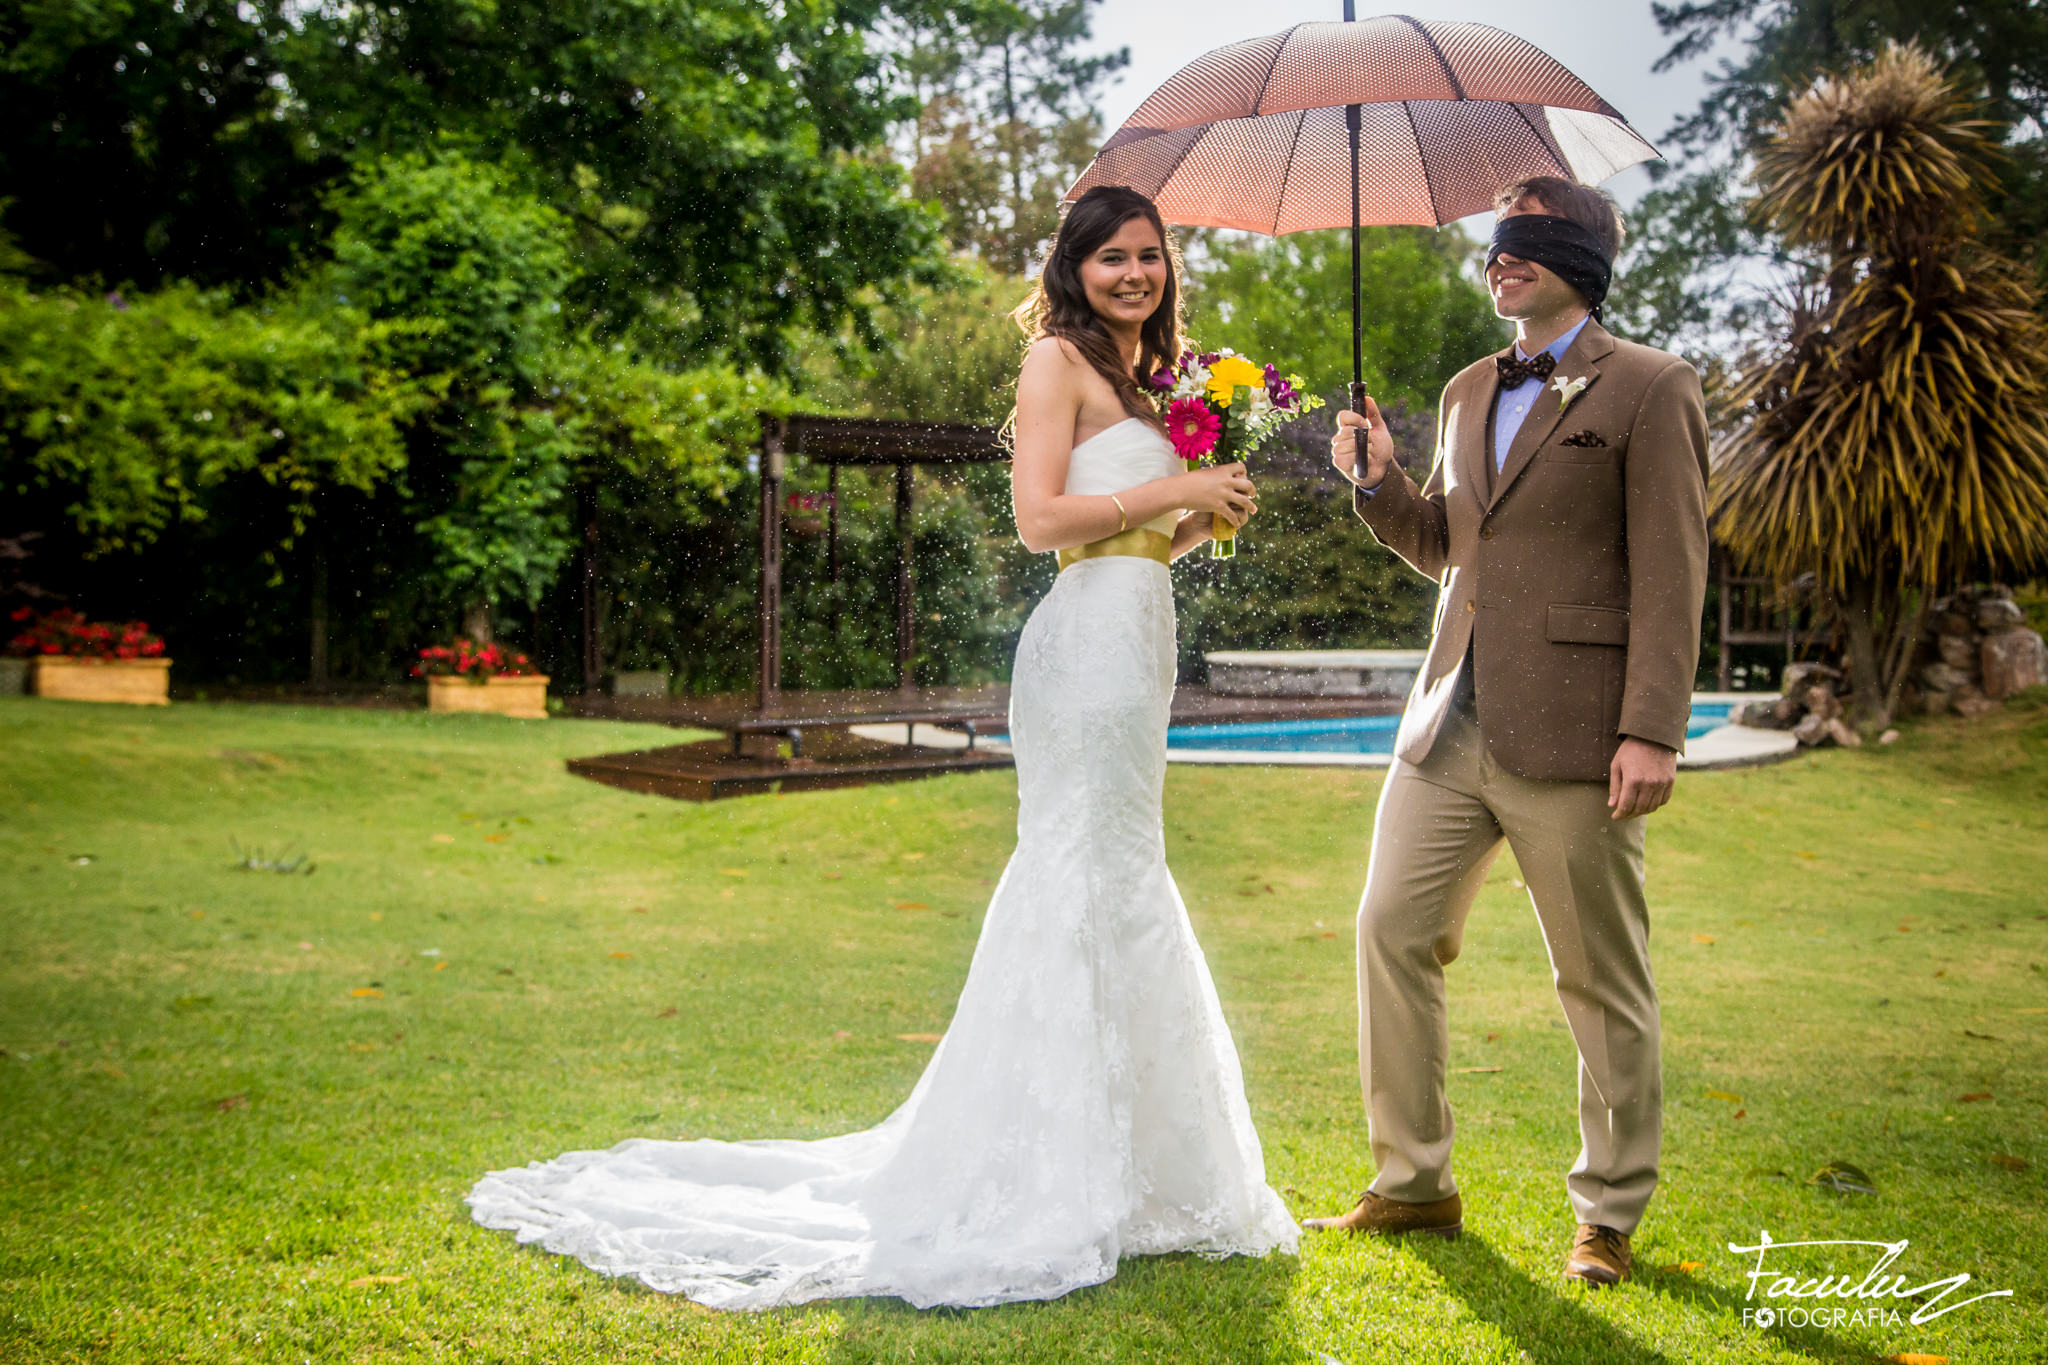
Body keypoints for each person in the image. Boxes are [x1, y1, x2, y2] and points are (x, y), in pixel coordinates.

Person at [464, 184, 1298, 1310]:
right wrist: (1175, 484)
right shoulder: (1055, 363)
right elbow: (1039, 520)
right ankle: (1042, 1171)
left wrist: (1204, 519)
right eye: (1109, 259)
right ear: (1073, 268)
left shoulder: (1157, 379)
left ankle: (1144, 1173)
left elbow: (1144, 538)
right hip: (1081, 647)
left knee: (1123, 870)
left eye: (1147, 257)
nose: (1132, 275)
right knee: (1079, 869)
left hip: (1138, 630)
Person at [1305, 176, 1708, 1289]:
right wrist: (1379, 483)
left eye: (1526, 240)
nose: (1500, 258)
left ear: (1583, 257)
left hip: (1580, 734)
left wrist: (1652, 732)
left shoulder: (1650, 388)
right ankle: (1413, 1183)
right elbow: (1445, 544)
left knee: (1597, 977)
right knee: (1388, 930)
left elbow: (1673, 574)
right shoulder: (1468, 386)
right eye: (1495, 242)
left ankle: (1608, 1211)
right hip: (1447, 721)